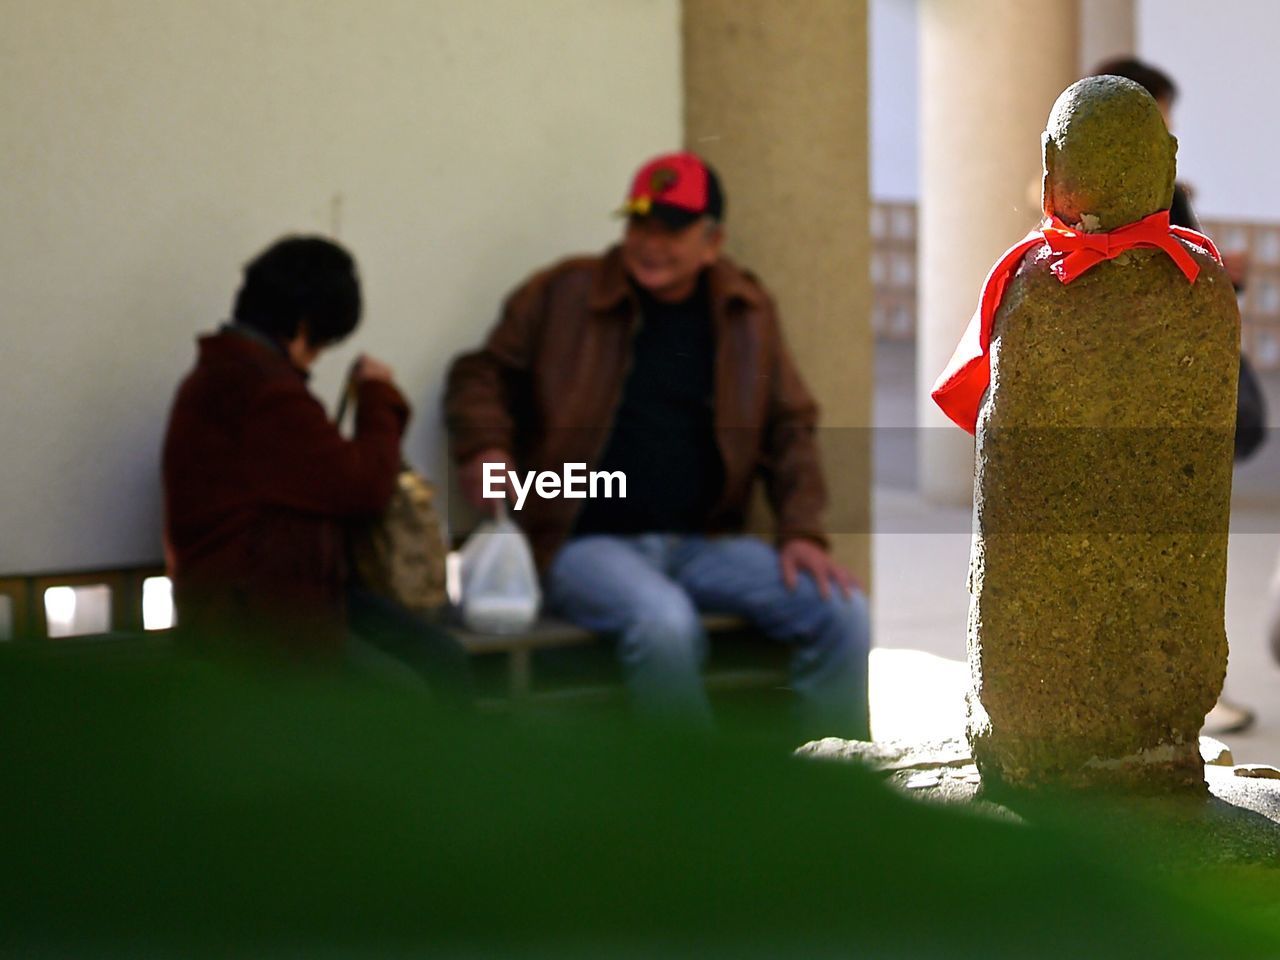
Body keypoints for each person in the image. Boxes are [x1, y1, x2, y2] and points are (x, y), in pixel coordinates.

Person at [444, 152, 870, 736]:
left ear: (712, 241)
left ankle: (832, 795)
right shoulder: (565, 293)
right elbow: (479, 373)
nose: (650, 242)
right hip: (584, 543)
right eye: (639, 224)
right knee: (665, 623)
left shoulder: (745, 310)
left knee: (842, 613)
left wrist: (800, 530)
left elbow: (788, 423)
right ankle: (689, 809)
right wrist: (483, 447)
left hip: (705, 543)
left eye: (671, 228)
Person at [162, 236, 468, 698]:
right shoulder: (264, 393)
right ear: (302, 328)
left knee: (440, 658)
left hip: (275, 601)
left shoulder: (222, 377)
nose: (317, 359)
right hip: (263, 621)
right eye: (323, 342)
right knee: (410, 691)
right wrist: (379, 399)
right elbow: (364, 485)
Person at [1094, 58, 1266, 735]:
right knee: (1164, 561)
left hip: (1127, 414)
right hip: (1164, 411)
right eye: (1163, 117)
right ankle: (1175, 695)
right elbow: (1187, 285)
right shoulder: (1158, 195)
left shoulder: (1065, 218)